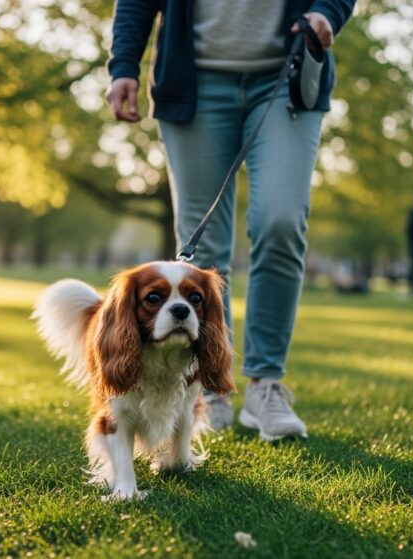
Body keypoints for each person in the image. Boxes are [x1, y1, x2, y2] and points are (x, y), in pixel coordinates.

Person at [106, 0, 356, 439]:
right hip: (193, 80)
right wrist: (124, 64)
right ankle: (207, 391)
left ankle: (265, 384)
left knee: (280, 222)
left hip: (288, 74)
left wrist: (327, 12)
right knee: (203, 250)